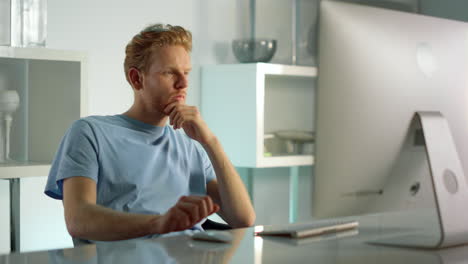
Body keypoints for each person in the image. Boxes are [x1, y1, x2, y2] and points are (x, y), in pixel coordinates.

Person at [44, 23, 255, 242]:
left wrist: (210, 141)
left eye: (186, 73)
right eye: (169, 73)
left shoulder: (192, 148)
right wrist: (159, 223)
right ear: (137, 79)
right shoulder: (90, 133)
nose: (183, 84)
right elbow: (78, 220)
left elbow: (243, 219)